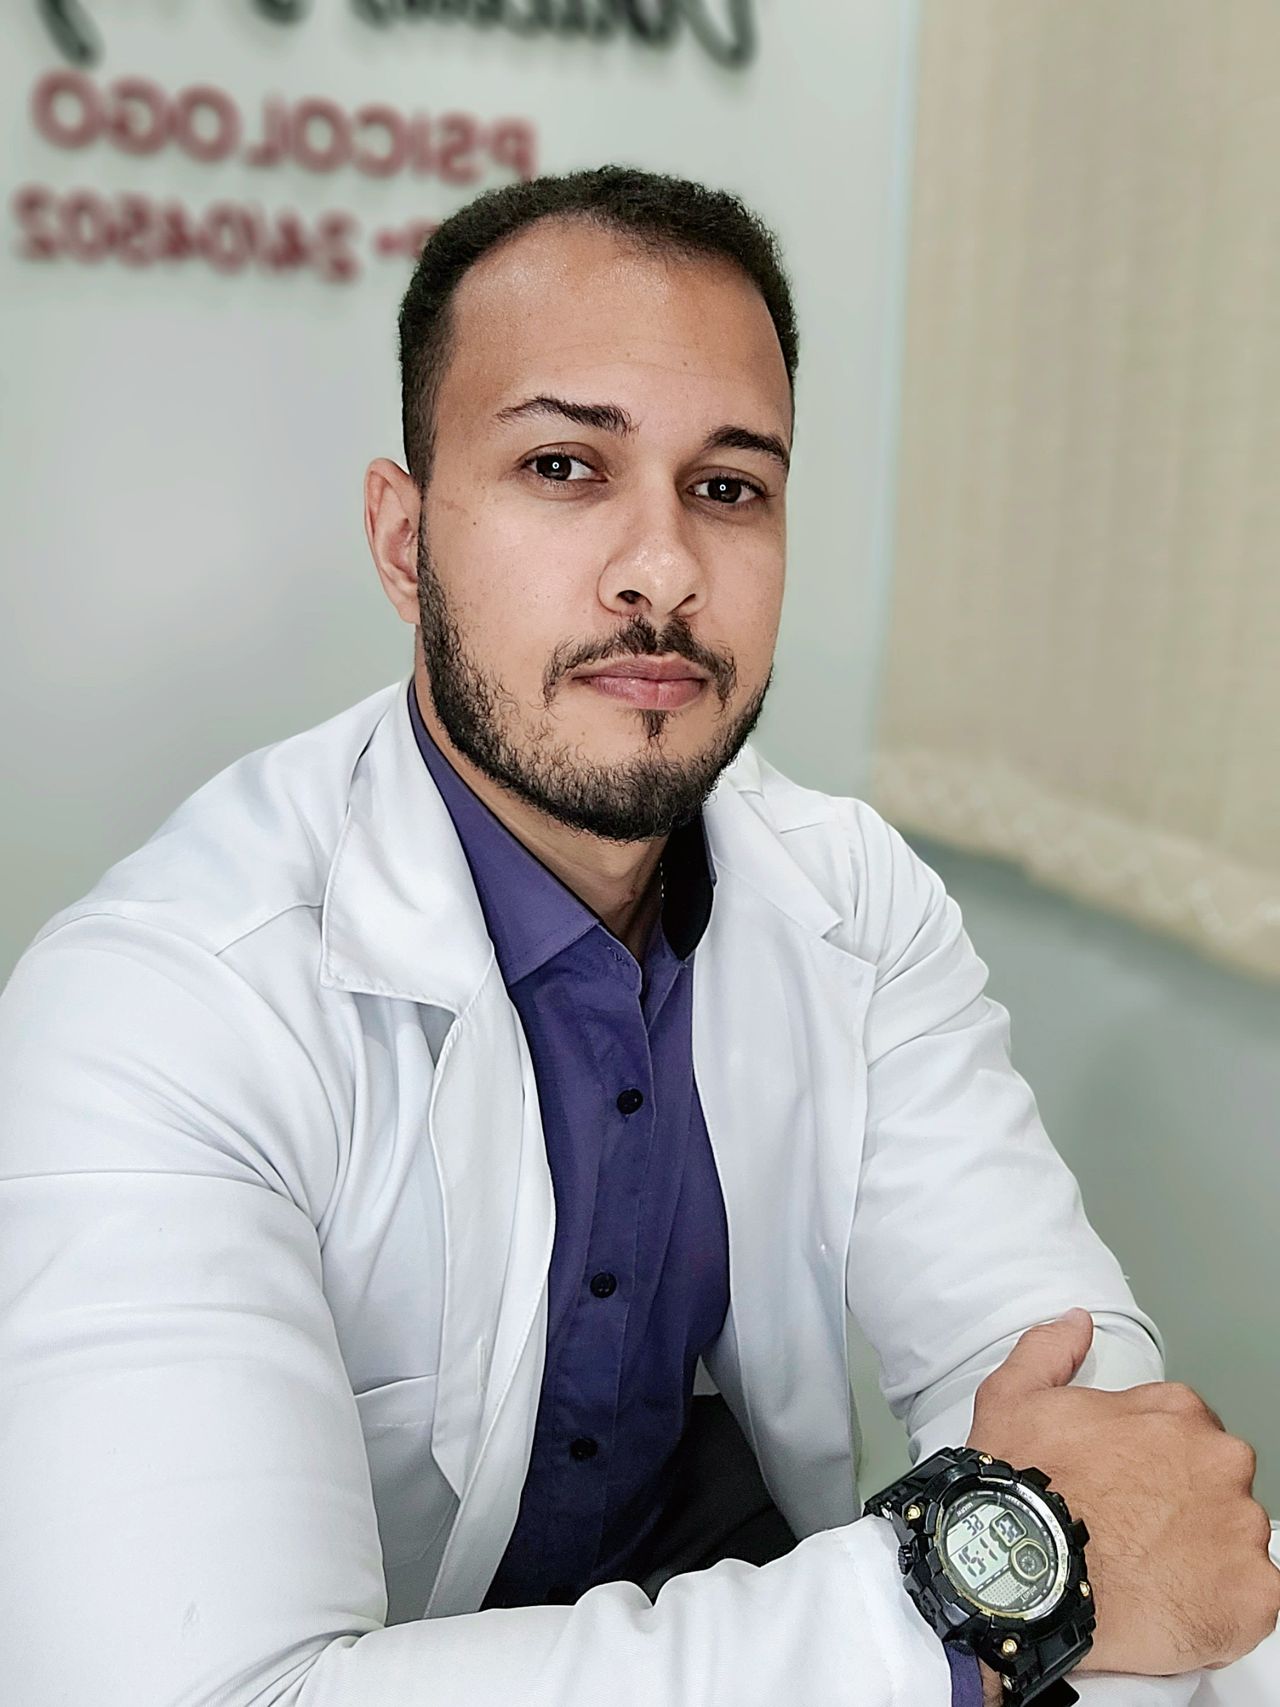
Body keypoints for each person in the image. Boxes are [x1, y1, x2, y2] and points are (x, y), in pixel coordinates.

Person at [0, 166, 1275, 1707]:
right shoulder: (154, 1008)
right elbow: (208, 1696)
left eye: (728, 487)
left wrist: (1056, 1583)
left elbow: (1116, 1478)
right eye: (563, 466)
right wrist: (960, 1604)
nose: (662, 568)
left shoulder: (853, 901)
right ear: (403, 542)